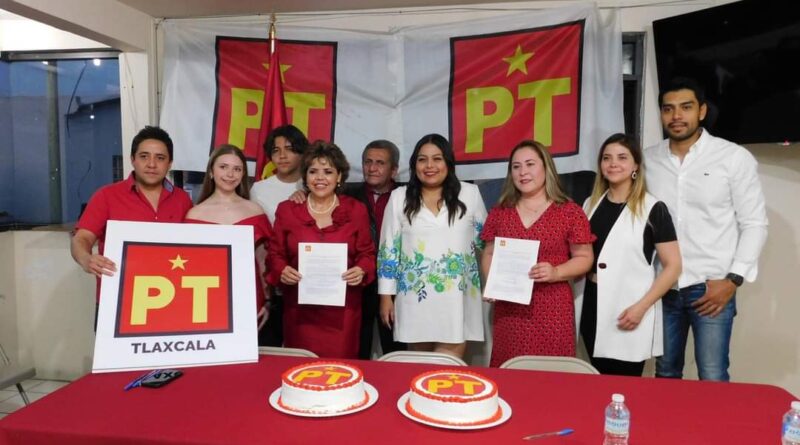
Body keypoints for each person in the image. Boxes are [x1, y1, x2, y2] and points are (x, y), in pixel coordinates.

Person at [646, 77, 768, 382]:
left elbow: (754, 223)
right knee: (665, 373)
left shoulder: (732, 157)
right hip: (663, 286)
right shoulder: (647, 160)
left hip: (712, 286)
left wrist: (733, 279)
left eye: (685, 107)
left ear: (701, 111)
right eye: (668, 109)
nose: (676, 116)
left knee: (712, 375)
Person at [480, 140, 594, 367]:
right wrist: (492, 283)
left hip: (552, 309)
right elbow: (489, 253)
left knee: (550, 375)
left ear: (546, 167)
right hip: (509, 311)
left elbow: (584, 258)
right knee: (510, 373)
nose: (523, 172)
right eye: (516, 166)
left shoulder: (569, 212)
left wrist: (556, 272)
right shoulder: (500, 212)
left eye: (530, 164)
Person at [577, 133, 682, 376]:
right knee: (597, 378)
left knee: (624, 383)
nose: (613, 163)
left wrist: (641, 307)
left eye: (622, 157)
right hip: (591, 302)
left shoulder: (653, 208)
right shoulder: (589, 204)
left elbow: (674, 266)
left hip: (628, 307)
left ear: (636, 165)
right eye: (607, 158)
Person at [378, 134, 486, 359]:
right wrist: (386, 296)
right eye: (422, 159)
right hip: (415, 299)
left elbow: (486, 243)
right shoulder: (399, 197)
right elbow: (388, 251)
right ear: (414, 164)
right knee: (420, 369)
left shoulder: (470, 194)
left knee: (448, 369)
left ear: (448, 162)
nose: (429, 166)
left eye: (437, 159)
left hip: (456, 301)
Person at [267, 141, 376, 358]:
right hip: (300, 311)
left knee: (339, 370)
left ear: (339, 176)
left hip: (343, 313)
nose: (320, 178)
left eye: (328, 172)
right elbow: (274, 254)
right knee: (301, 368)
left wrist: (361, 270)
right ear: (305, 176)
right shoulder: (287, 210)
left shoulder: (356, 210)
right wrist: (282, 270)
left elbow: (367, 254)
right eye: (313, 171)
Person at [71, 126, 193, 302]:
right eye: (144, 156)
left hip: (169, 300)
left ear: (170, 163)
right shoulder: (106, 196)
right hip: (117, 301)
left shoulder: (182, 199)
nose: (151, 164)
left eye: (160, 158)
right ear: (132, 159)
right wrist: (86, 259)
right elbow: (82, 238)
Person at [184, 145, 272, 328]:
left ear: (243, 174)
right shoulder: (194, 215)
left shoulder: (255, 211)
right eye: (223, 167)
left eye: (237, 169)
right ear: (211, 171)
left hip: (249, 296)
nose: (230, 174)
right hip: (205, 298)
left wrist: (268, 300)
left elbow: (263, 260)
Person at [344, 140, 407, 358]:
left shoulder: (407, 196)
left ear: (394, 170)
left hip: (395, 283)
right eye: (367, 162)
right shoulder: (346, 194)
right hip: (358, 281)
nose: (372, 168)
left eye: (380, 163)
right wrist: (300, 195)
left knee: (396, 349)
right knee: (358, 347)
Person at [250, 124, 309, 346]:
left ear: (302, 152)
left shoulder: (313, 183)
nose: (282, 156)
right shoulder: (259, 189)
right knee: (273, 338)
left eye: (289, 149)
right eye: (276, 150)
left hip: (307, 270)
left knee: (302, 340)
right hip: (273, 270)